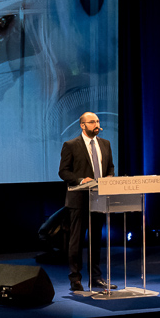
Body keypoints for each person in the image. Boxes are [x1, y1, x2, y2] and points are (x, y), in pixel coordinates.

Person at [58, 112, 115, 292]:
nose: (96, 124)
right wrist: (81, 180)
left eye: (97, 121)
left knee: (96, 240)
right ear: (82, 125)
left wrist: (109, 179)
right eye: (92, 122)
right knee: (76, 240)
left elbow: (110, 168)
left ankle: (96, 278)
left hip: (99, 198)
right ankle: (75, 278)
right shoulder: (71, 145)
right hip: (79, 200)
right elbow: (63, 172)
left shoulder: (105, 144)